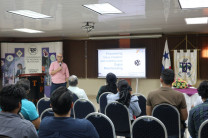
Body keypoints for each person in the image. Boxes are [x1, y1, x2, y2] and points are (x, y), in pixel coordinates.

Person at [146, 69, 188, 137]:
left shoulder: (151, 94)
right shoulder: (180, 95)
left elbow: (149, 115)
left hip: (156, 131)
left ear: (161, 79)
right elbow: (184, 117)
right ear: (173, 81)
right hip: (175, 131)